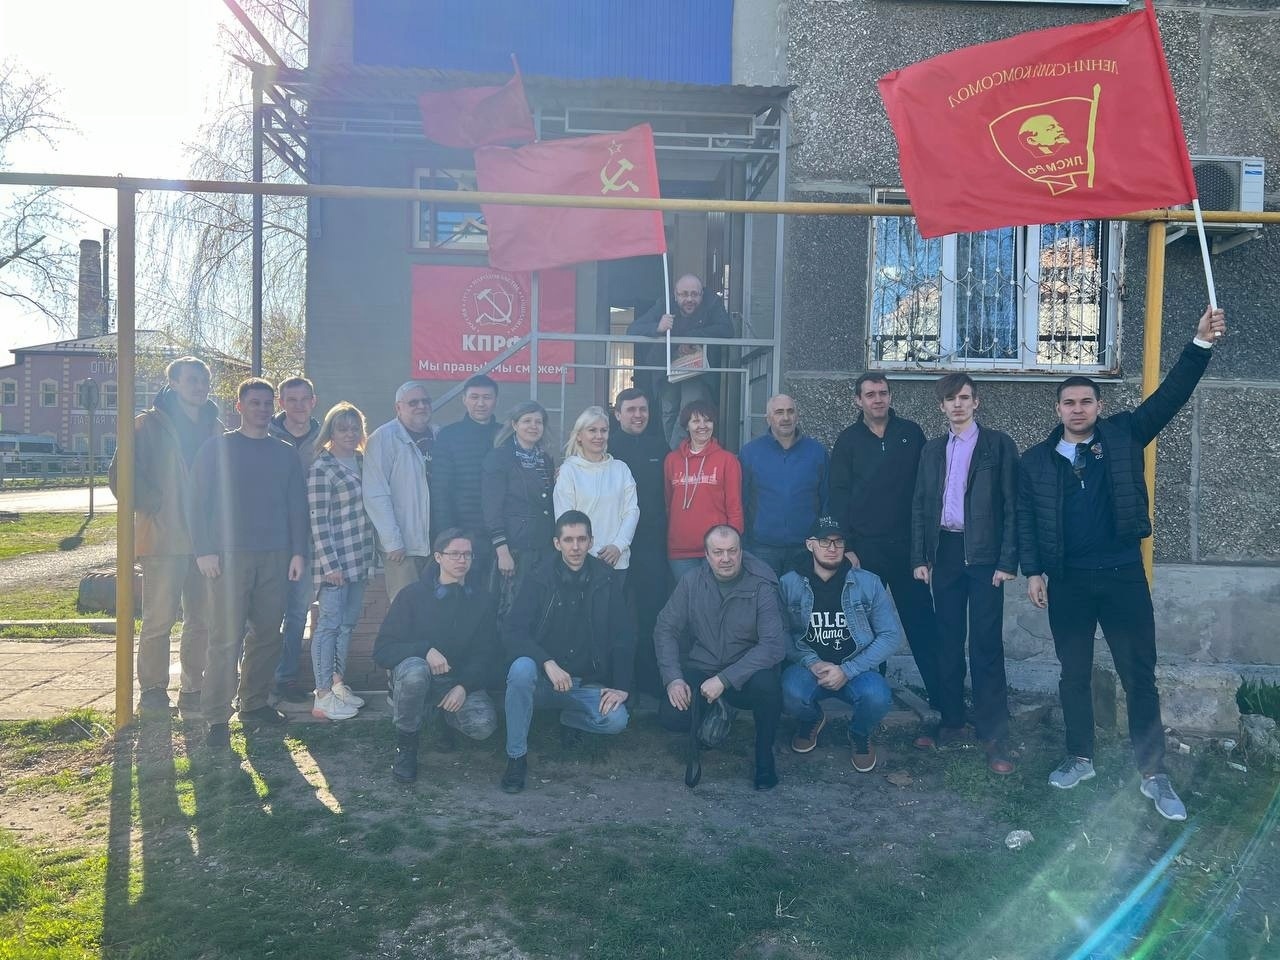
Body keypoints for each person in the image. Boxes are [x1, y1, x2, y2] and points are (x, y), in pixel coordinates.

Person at [1020, 305, 1226, 822]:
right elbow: (1026, 519)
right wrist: (1033, 571)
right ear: (1057, 408)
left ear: (1100, 405)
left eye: (1086, 401)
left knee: (1139, 676)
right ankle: (1079, 757)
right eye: (1069, 402)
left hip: (1122, 576)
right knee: (1073, 673)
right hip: (1068, 581)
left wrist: (1200, 343)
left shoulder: (1124, 435)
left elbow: (1171, 395)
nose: (1077, 409)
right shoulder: (1037, 461)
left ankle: (1154, 773)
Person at [188, 378, 307, 749]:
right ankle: (215, 717)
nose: (262, 409)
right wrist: (203, 550)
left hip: (276, 555)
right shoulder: (217, 449)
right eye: (254, 403)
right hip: (227, 556)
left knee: (268, 635)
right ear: (239, 406)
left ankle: (254, 703)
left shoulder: (285, 452)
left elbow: (297, 506)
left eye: (267, 403)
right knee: (225, 638)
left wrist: (298, 552)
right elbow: (196, 502)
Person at [911, 374, 1020, 775]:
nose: (957, 404)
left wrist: (1008, 561)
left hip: (985, 555)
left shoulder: (997, 445)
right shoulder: (932, 450)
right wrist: (920, 557)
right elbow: (921, 505)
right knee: (948, 639)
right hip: (946, 552)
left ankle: (993, 733)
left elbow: (1012, 505)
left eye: (964, 397)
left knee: (986, 644)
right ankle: (952, 720)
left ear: (976, 402)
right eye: (950, 398)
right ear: (941, 406)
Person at [829, 373, 943, 747]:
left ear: (890, 396)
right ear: (858, 400)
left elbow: (927, 490)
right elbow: (838, 496)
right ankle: (870, 702)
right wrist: (846, 547)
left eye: (882, 393)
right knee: (866, 631)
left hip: (908, 550)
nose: (877, 399)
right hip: (866, 550)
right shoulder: (848, 441)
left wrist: (925, 546)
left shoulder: (910, 433)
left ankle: (942, 703)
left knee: (922, 624)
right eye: (870, 394)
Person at [110, 356, 221, 717]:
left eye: (204, 380)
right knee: (158, 620)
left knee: (202, 620)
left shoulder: (216, 427)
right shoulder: (147, 425)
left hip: (205, 543)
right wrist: (155, 504)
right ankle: (153, 691)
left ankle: (194, 688)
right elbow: (120, 476)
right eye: (191, 380)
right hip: (162, 539)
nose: (200, 386)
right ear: (173, 383)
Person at [500, 510, 634, 794]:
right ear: (556, 543)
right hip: (541, 681)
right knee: (520, 669)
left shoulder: (606, 579)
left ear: (591, 542)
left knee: (616, 720)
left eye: (581, 539)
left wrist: (621, 687)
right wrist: (546, 662)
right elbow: (513, 630)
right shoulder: (538, 577)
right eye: (568, 540)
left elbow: (624, 635)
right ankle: (516, 757)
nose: (575, 547)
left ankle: (569, 719)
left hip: (583, 683)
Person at [654, 525, 786, 790]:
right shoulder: (691, 581)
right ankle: (716, 710)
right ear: (706, 555)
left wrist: (724, 680)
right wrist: (673, 679)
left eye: (732, 551)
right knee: (672, 716)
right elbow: (665, 628)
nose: (726, 558)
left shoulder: (762, 584)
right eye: (718, 552)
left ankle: (764, 757)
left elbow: (773, 645)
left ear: (741, 552)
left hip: (746, 672)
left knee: (769, 686)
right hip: (703, 667)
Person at [372, 529, 500, 783]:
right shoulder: (412, 596)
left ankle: (444, 718)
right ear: (438, 557)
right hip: (418, 678)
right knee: (415, 672)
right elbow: (382, 650)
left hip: (457, 681)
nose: (462, 560)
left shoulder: (482, 600)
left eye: (467, 555)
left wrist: (464, 687)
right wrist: (424, 650)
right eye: (454, 554)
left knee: (482, 726)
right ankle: (406, 745)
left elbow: (487, 653)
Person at [779, 517, 899, 772]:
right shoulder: (788, 584)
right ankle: (812, 719)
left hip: (857, 669)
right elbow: (780, 633)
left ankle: (859, 733)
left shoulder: (868, 582)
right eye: (825, 541)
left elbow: (890, 635)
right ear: (810, 545)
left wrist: (847, 670)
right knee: (789, 691)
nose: (832, 548)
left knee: (877, 696)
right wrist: (811, 662)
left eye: (838, 542)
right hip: (810, 669)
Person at [307, 402, 376, 722]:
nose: (349, 434)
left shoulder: (363, 462)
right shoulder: (322, 467)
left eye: (354, 428)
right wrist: (329, 565)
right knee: (329, 626)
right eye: (342, 428)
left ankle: (337, 684)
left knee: (347, 625)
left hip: (359, 558)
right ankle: (322, 695)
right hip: (335, 562)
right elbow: (318, 521)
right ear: (330, 432)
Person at [609, 388, 671, 695]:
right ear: (617, 414)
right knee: (612, 614)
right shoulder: (606, 445)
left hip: (651, 545)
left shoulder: (660, 446)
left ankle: (648, 681)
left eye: (642, 409)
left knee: (651, 614)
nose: (638, 415)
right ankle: (614, 680)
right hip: (613, 545)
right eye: (630, 410)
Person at [628, 273, 736, 448]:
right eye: (684, 294)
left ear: (702, 294)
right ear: (675, 295)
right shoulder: (664, 304)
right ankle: (675, 454)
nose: (689, 299)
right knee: (669, 412)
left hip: (696, 372)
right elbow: (632, 329)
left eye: (694, 294)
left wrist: (693, 337)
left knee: (689, 409)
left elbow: (726, 329)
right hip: (668, 368)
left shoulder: (712, 302)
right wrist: (657, 327)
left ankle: (676, 455)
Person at [267, 376, 321, 705]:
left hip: (311, 538)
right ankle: (257, 678)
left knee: (298, 611)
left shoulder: (325, 438)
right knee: (263, 613)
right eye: (291, 399)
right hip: (271, 538)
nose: (298, 405)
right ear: (281, 402)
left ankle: (286, 677)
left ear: (314, 401)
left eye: (304, 399)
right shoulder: (266, 436)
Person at [740, 393, 830, 575]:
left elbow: (827, 499)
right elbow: (742, 499)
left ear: (797, 416)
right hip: (762, 548)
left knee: (801, 594)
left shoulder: (817, 452)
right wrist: (745, 542)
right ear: (768, 418)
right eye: (779, 412)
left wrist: (822, 537)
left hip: (806, 546)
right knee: (765, 593)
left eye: (790, 411)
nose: (786, 417)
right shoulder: (750, 453)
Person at [481, 400, 556, 618]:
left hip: (542, 547)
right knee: (512, 610)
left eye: (538, 422)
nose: (533, 426)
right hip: (516, 549)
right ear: (514, 425)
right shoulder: (499, 458)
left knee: (539, 609)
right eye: (527, 421)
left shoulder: (545, 459)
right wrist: (502, 551)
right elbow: (492, 508)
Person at [363, 381, 436, 603]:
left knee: (434, 608)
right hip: (404, 545)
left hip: (436, 542)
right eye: (413, 402)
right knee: (405, 608)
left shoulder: (439, 435)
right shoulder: (383, 438)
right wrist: (392, 541)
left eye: (425, 401)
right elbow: (376, 494)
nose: (421, 406)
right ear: (398, 407)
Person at [553, 406, 639, 585]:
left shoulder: (621, 469)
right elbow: (565, 517)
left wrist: (618, 546)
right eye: (592, 430)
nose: (599, 436)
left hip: (617, 560)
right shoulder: (569, 471)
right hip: (581, 562)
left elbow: (632, 511)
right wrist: (590, 551)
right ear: (579, 435)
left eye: (604, 430)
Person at [664, 400, 743, 582]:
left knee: (717, 597)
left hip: (718, 550)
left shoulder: (727, 460)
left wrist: (732, 546)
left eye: (707, 420)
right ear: (686, 426)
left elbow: (735, 507)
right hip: (680, 550)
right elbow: (668, 502)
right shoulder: (672, 460)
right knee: (689, 597)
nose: (702, 426)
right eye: (696, 421)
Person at [433, 374, 501, 569]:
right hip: (462, 532)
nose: (481, 403)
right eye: (474, 397)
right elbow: (441, 490)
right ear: (464, 400)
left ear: (496, 400)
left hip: (501, 533)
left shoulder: (506, 435)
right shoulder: (449, 436)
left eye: (487, 397)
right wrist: (447, 534)